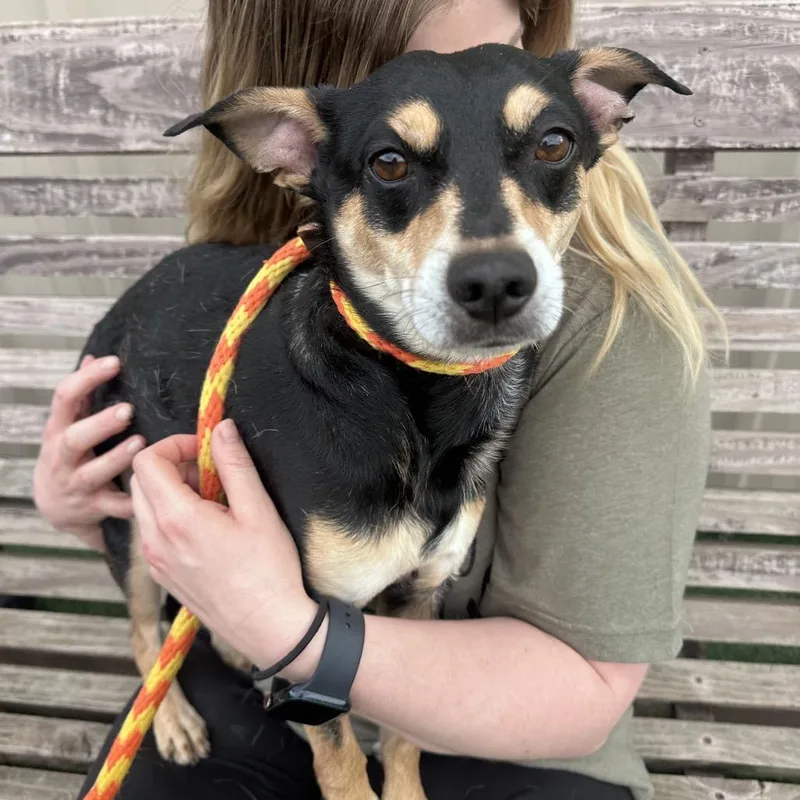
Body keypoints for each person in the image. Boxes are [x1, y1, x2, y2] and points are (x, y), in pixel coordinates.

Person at [33, 1, 720, 798]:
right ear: (305, 149)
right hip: (258, 678)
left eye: (508, 59)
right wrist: (81, 506)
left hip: (518, 740)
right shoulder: (264, 293)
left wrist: (285, 629)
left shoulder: (617, 329)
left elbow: (581, 699)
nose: (493, 258)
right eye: (396, 158)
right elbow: (198, 538)